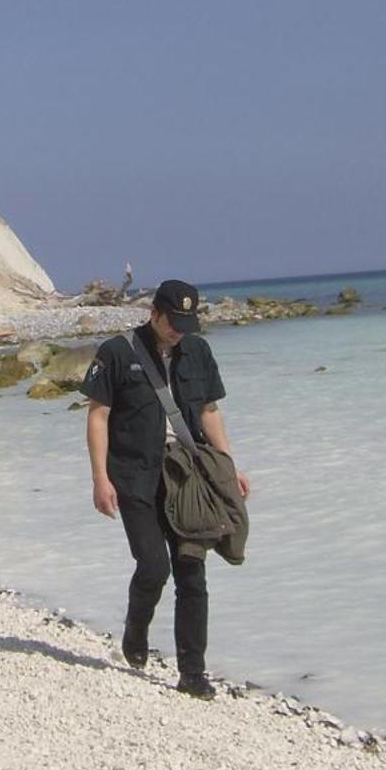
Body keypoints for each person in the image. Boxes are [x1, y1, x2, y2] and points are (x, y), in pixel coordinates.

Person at [82, 278, 250, 698]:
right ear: (153, 313)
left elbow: (210, 411)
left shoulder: (198, 351)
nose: (178, 329)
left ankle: (193, 672)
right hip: (135, 476)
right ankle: (135, 631)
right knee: (154, 567)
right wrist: (100, 479)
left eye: (185, 322)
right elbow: (98, 416)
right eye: (172, 321)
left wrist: (228, 466)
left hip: (188, 478)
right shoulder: (117, 353)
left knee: (192, 572)